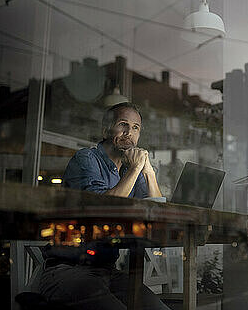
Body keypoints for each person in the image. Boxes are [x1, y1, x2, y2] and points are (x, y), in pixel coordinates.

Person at [37, 102, 169, 310]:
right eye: (123, 124)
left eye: (136, 128)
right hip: (66, 271)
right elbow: (103, 210)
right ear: (106, 129)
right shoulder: (86, 159)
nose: (129, 133)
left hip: (107, 272)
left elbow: (159, 217)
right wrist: (136, 169)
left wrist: (149, 172)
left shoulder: (129, 168)